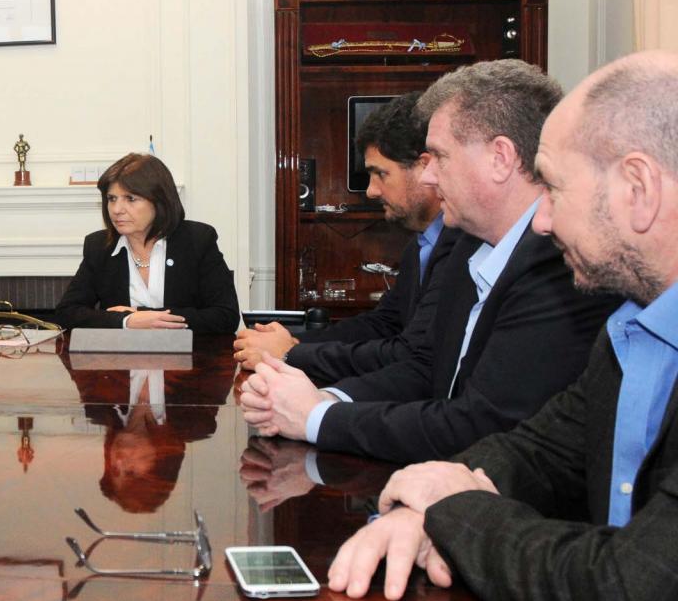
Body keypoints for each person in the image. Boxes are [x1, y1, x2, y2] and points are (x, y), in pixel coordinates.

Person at [327, 50, 678, 601]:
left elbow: (638, 596)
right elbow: (542, 450)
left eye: (556, 189)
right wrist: (429, 495)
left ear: (639, 189)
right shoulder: (630, 326)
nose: (541, 220)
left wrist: (451, 512)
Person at [239, 60, 620, 464]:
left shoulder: (560, 264)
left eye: (439, 157)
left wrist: (317, 418)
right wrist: (322, 399)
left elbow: (482, 425)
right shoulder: (466, 246)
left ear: (500, 158)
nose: (427, 177)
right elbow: (423, 369)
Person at [234, 91, 462, 380]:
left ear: (424, 167)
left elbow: (410, 354)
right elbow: (383, 324)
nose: (371, 191)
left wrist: (291, 353)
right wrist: (292, 343)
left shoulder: (461, 245)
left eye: (381, 174)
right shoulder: (421, 245)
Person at [54, 153, 240, 333]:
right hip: (120, 354)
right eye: (112, 199)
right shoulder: (99, 246)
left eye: (130, 199)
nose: (117, 210)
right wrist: (127, 321)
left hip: (190, 353)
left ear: (159, 201)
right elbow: (66, 313)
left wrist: (145, 316)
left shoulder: (197, 240)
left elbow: (226, 316)